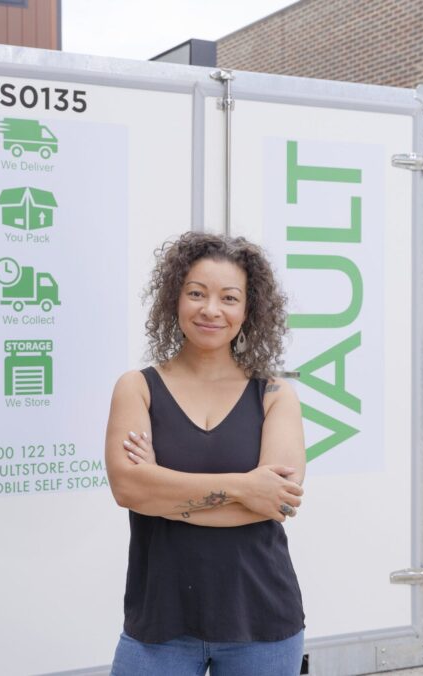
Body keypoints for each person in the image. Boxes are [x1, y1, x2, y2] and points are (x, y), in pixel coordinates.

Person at [105, 232, 307, 676]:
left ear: (248, 309)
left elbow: (276, 501)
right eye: (196, 293)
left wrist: (163, 491)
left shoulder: (274, 394)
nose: (211, 309)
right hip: (159, 621)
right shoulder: (137, 388)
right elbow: (129, 489)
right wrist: (243, 487)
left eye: (229, 298)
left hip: (263, 620)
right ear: (174, 299)